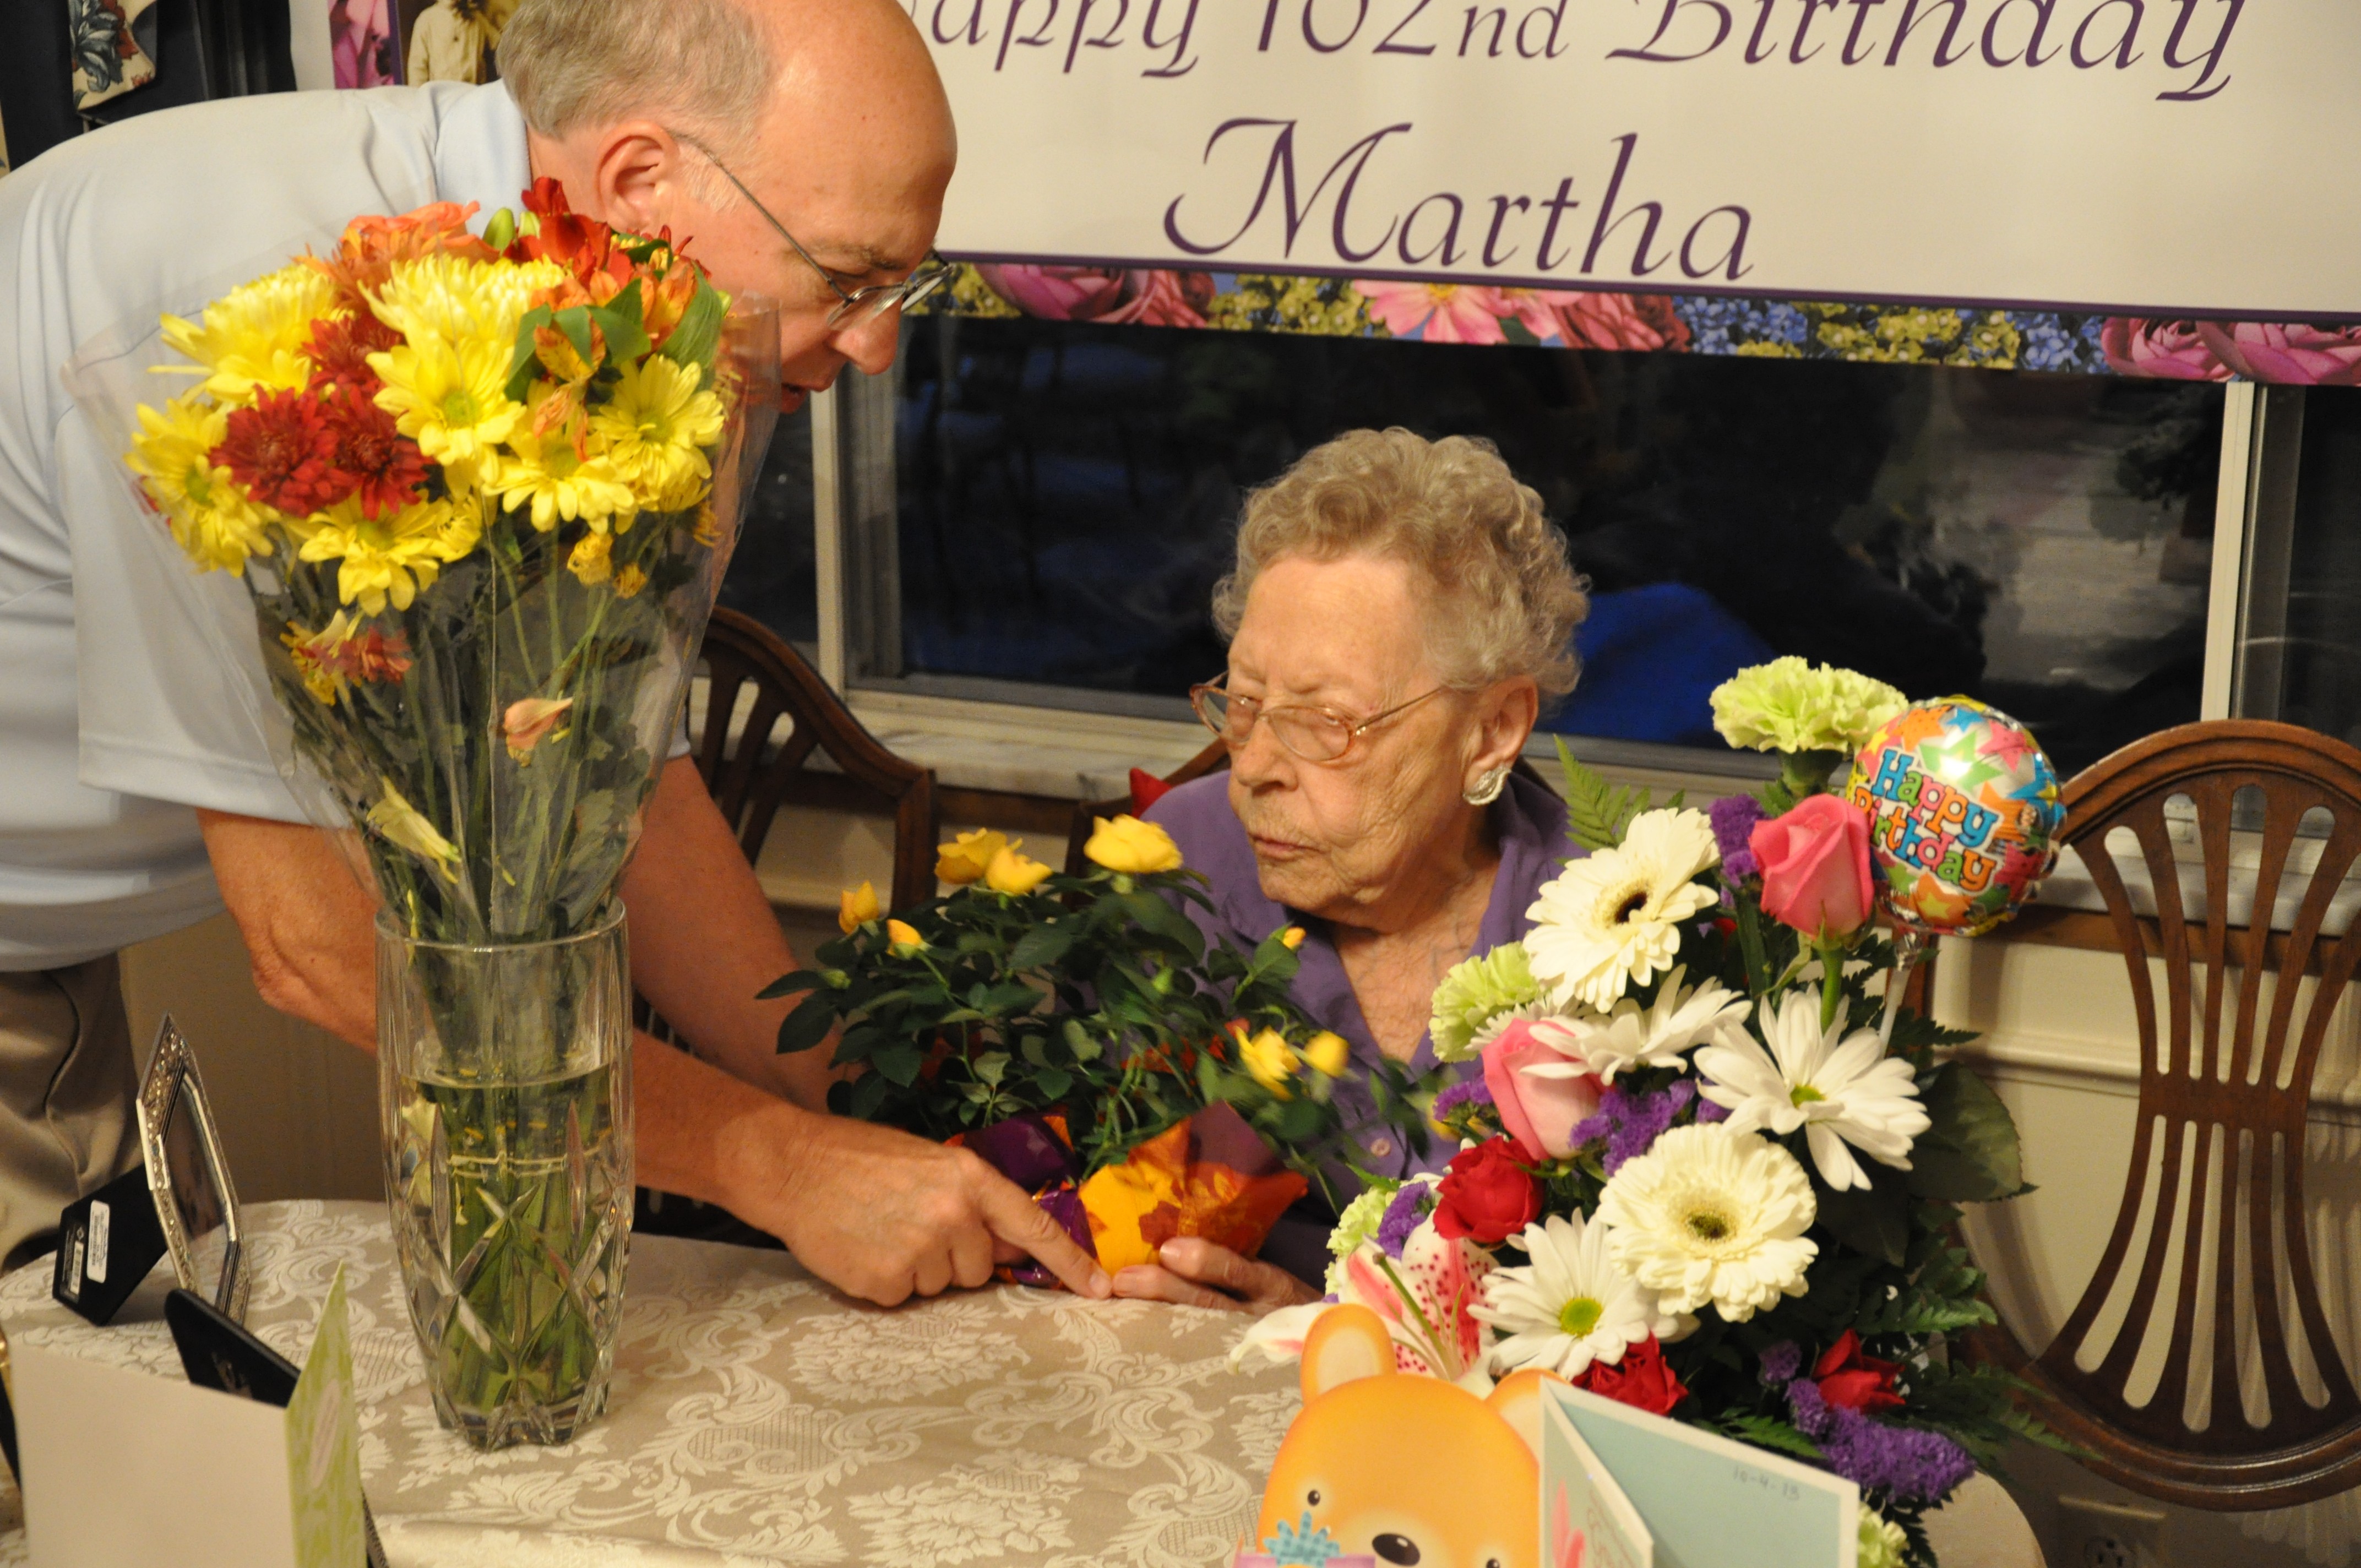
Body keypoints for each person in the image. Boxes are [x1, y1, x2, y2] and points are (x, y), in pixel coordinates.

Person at [0, 0, 1112, 1306]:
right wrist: (777, 1160)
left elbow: (620, 777)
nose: (877, 346)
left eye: (898, 287)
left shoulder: (630, 314)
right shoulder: (248, 292)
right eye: (849, 279)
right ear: (638, 181)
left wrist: (890, 1122)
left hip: (54, 954)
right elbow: (316, 941)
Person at [1115, 428, 1590, 1313]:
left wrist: (1327, 1323)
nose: (1255, 770)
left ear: (1491, 731)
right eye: (1245, 703)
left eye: (1324, 722)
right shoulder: (1182, 864)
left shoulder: (1612, 941)